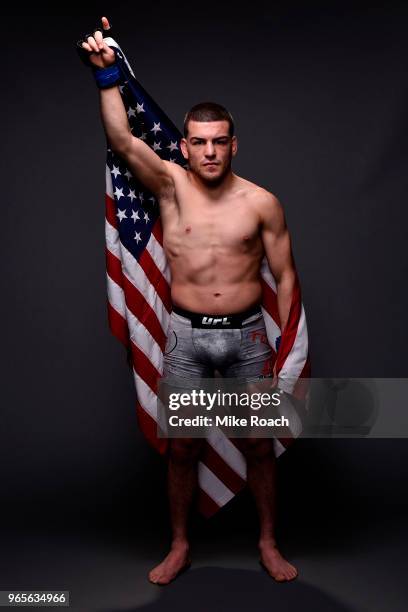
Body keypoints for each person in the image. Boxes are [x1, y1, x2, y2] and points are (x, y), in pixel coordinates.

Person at [80, 15, 299, 585]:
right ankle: (179, 545)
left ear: (233, 144)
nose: (208, 152)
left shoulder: (262, 203)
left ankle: (268, 542)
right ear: (184, 145)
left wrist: (280, 350)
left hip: (250, 336)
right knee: (182, 448)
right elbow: (122, 140)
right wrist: (108, 77)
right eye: (197, 142)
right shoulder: (170, 187)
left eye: (218, 142)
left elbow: (287, 276)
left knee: (257, 443)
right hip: (184, 338)